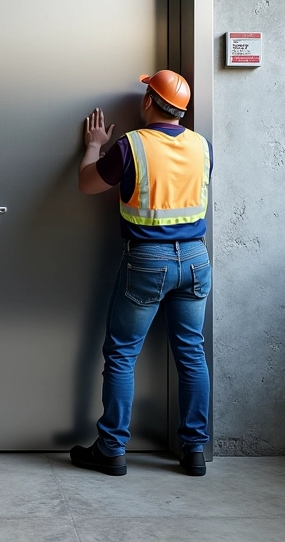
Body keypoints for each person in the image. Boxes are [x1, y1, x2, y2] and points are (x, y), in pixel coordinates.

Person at [70, 70, 213, 478]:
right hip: (196, 260)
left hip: (148, 261)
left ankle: (112, 450)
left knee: (121, 355)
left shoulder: (130, 145)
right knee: (191, 355)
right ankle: (194, 451)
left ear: (149, 101)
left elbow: (86, 184)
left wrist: (94, 147)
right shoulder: (203, 147)